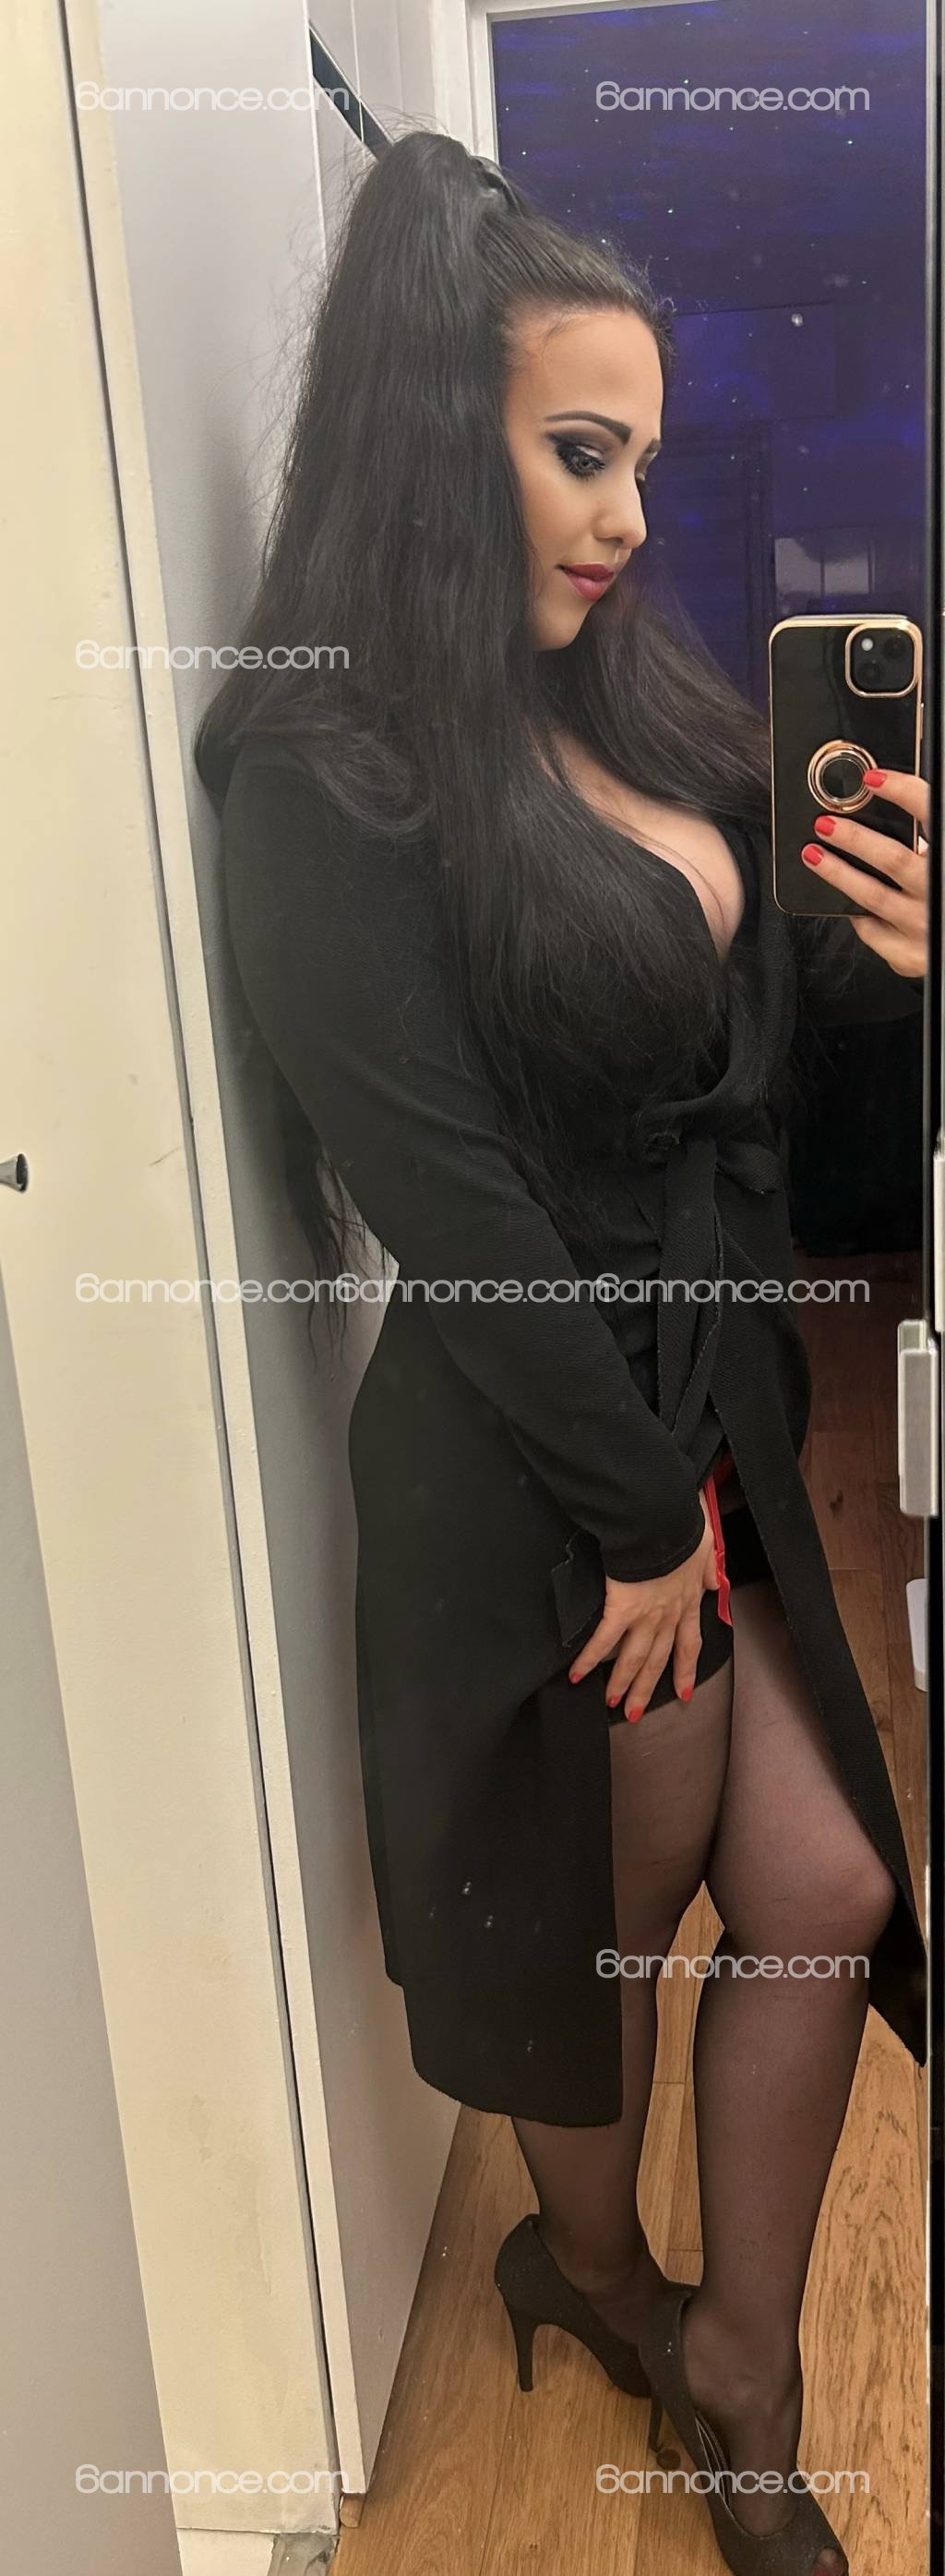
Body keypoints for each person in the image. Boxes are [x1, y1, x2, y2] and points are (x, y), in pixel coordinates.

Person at [196, 133, 930, 2576]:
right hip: (545, 1474)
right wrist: (634, 1525)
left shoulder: (630, 695)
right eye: (579, 453)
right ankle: (600, 2275)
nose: (626, 516)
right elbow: (456, 1207)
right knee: (594, 1950)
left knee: (821, 1881)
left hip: (715, 1408)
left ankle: (739, 2362)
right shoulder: (322, 778)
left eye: (642, 457)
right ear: (439, 441)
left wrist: (882, 964)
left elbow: (730, 1072)